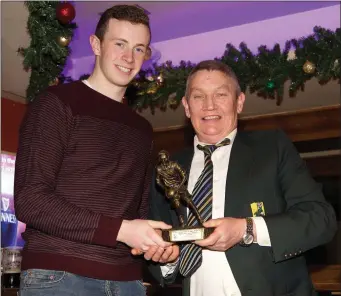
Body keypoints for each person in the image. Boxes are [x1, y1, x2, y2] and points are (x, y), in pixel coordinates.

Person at [14, 5, 177, 296]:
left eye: (139, 49)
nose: (129, 58)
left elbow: (134, 216)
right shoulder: (56, 104)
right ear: (96, 44)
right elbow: (31, 200)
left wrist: (152, 244)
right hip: (59, 277)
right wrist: (123, 231)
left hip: (128, 282)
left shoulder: (142, 129)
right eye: (120, 44)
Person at [145, 60, 337, 296]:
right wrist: (167, 260)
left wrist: (246, 229)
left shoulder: (272, 148)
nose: (209, 106)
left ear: (239, 102)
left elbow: (321, 219)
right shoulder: (168, 169)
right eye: (198, 97)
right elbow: (159, 252)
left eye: (221, 95)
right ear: (186, 106)